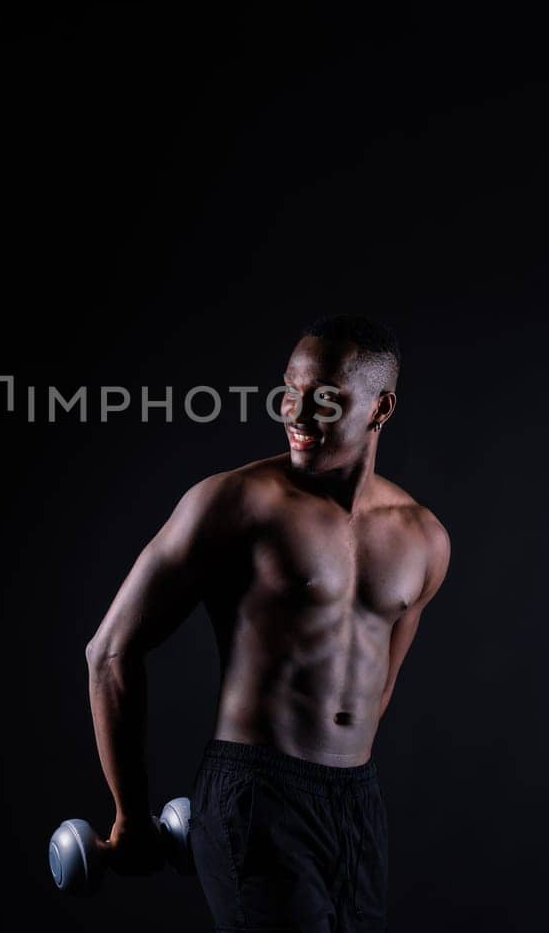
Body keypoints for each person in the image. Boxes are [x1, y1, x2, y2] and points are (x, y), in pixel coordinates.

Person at [84, 314, 450, 931]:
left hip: (356, 801)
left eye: (325, 398)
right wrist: (128, 815)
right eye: (289, 390)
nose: (295, 413)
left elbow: (378, 685)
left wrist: (334, 780)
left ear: (380, 409)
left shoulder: (424, 538)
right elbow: (111, 653)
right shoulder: (233, 503)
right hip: (255, 793)